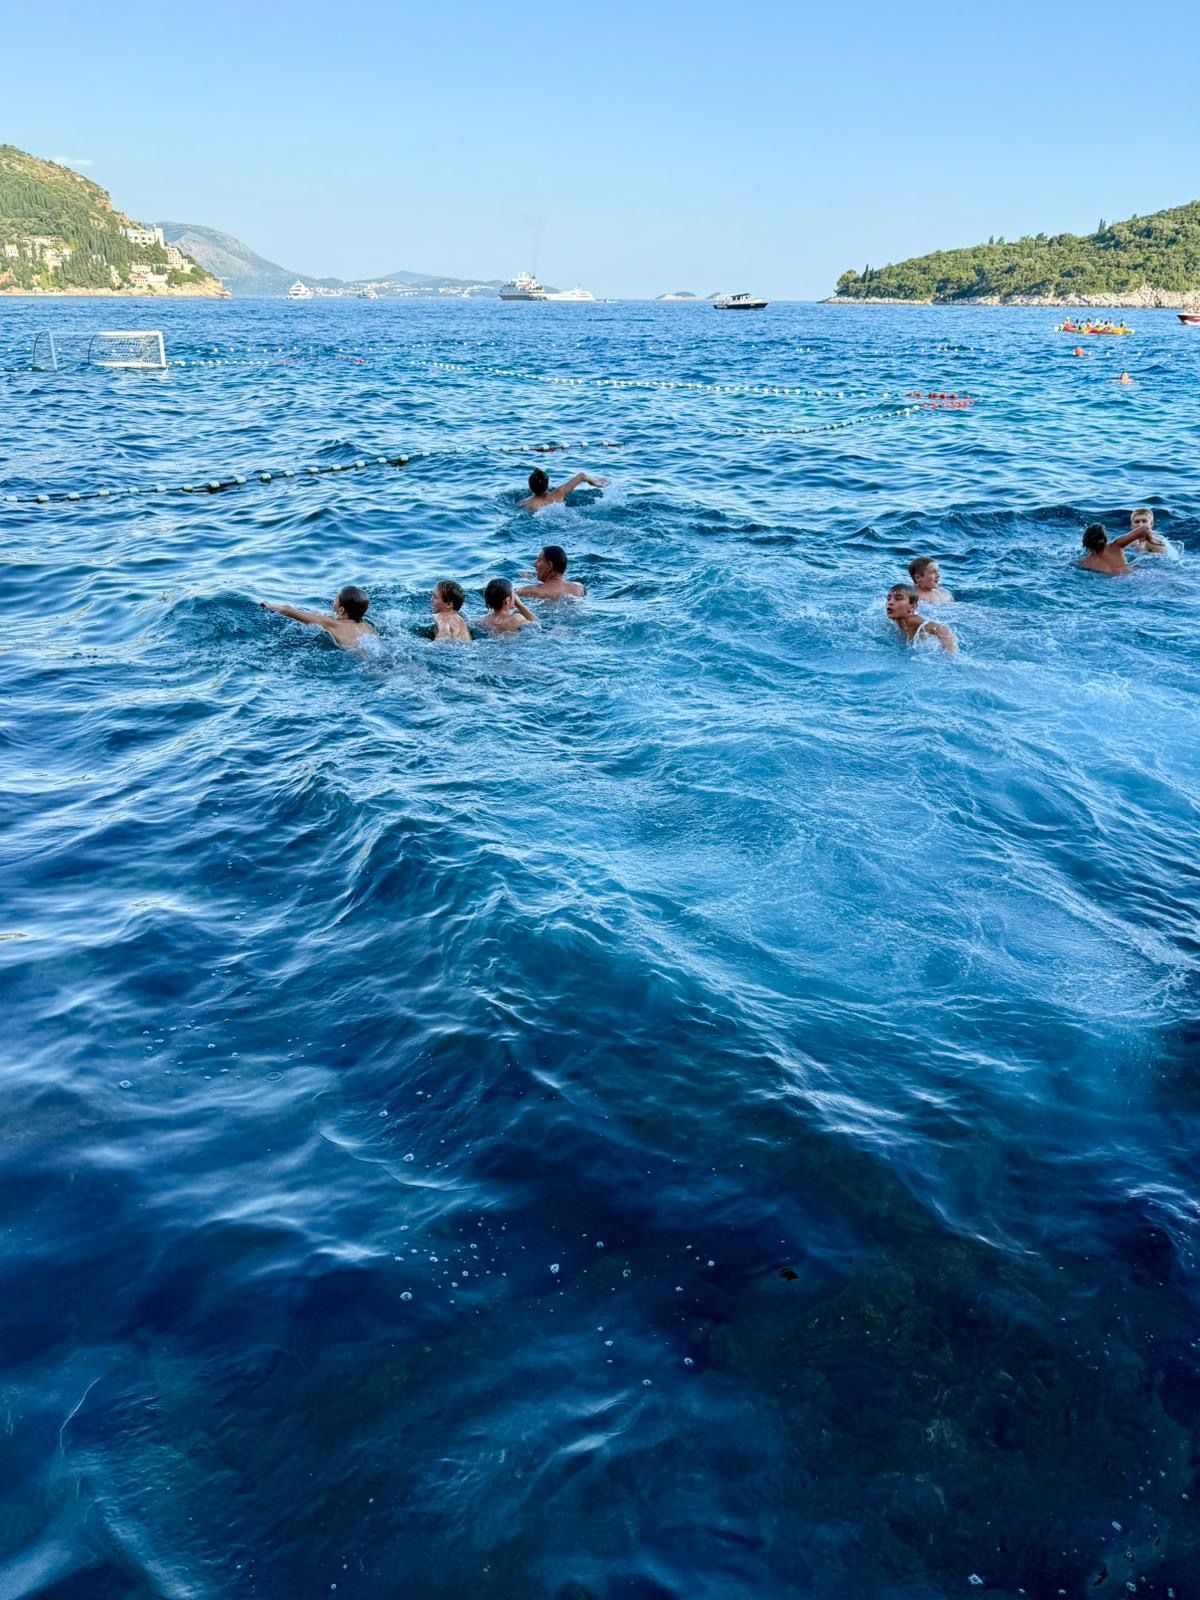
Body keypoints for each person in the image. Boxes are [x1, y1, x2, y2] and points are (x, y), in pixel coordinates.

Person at [261, 586, 376, 651]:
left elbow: (287, 610)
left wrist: (267, 605)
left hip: (365, 661)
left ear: (341, 610)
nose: (333, 602)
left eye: (336, 600)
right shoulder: (367, 626)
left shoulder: (332, 623)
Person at [886, 585, 956, 654]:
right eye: (888, 599)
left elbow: (942, 629)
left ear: (913, 607)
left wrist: (949, 655)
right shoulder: (895, 619)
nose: (890, 602)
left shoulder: (912, 620)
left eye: (898, 598)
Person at [522, 466, 608, 513]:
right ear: (547, 485)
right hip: (566, 513)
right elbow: (581, 476)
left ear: (530, 488)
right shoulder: (559, 493)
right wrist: (595, 482)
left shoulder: (527, 503)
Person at [518, 545, 586, 600]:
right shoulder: (579, 588)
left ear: (549, 565)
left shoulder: (530, 591)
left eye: (539, 561)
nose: (535, 565)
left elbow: (509, 594)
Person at [1077, 522, 1146, 574]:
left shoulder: (1084, 563)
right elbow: (1144, 529)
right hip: (1135, 574)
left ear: (1085, 542)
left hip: (1116, 582)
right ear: (1105, 538)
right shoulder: (1116, 545)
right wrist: (1151, 540)